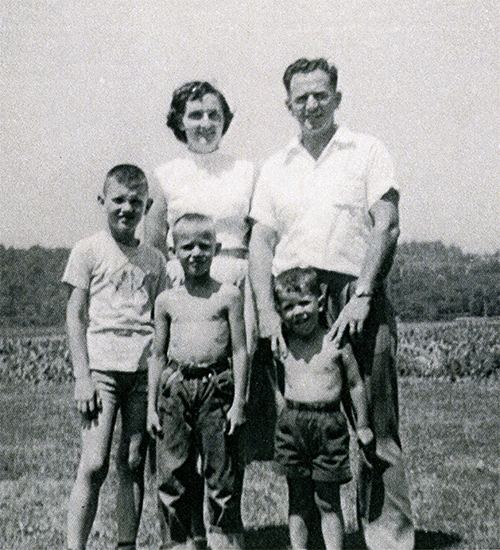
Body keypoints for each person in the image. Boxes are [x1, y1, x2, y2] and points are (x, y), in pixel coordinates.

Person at [249, 58, 414, 550]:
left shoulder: (366, 150)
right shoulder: (275, 166)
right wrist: (266, 310)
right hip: (294, 298)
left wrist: (363, 294)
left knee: (376, 426)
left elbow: (386, 225)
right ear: (288, 105)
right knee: (302, 419)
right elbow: (260, 242)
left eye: (321, 95)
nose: (311, 105)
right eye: (301, 98)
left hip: (353, 290)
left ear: (337, 98)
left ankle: (388, 540)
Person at [146, 80, 273, 460]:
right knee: (183, 386)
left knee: (231, 384)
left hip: (235, 280)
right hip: (182, 285)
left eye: (213, 114)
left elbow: (260, 234)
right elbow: (154, 246)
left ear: (225, 120)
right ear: (179, 121)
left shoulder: (248, 171)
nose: (205, 123)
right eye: (195, 114)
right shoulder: (165, 175)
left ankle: (226, 505)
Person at [63, 164, 167, 550]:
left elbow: (160, 321)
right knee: (94, 464)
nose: (126, 208)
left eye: (135, 202)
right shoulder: (88, 250)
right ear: (103, 201)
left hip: (140, 373)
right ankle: (75, 546)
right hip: (101, 373)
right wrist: (82, 376)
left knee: (134, 461)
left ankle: (126, 544)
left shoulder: (154, 260)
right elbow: (75, 314)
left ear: (147, 206)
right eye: (118, 200)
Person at [147, 213, 248, 550]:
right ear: (173, 251)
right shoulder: (167, 301)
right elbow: (158, 355)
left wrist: (238, 403)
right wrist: (151, 407)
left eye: (204, 246)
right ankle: (178, 541)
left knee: (221, 473)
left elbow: (239, 350)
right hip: (175, 388)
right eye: (186, 246)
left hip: (217, 386)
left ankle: (225, 540)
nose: (195, 253)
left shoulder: (228, 296)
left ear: (216, 248)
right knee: (173, 472)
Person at [272, 267, 374, 550]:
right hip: (293, 425)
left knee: (328, 500)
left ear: (319, 300)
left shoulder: (336, 342)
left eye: (304, 302)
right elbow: (277, 381)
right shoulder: (283, 344)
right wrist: (282, 410)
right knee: (298, 500)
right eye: (289, 307)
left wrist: (363, 425)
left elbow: (354, 385)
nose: (298, 312)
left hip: (328, 424)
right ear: (280, 312)